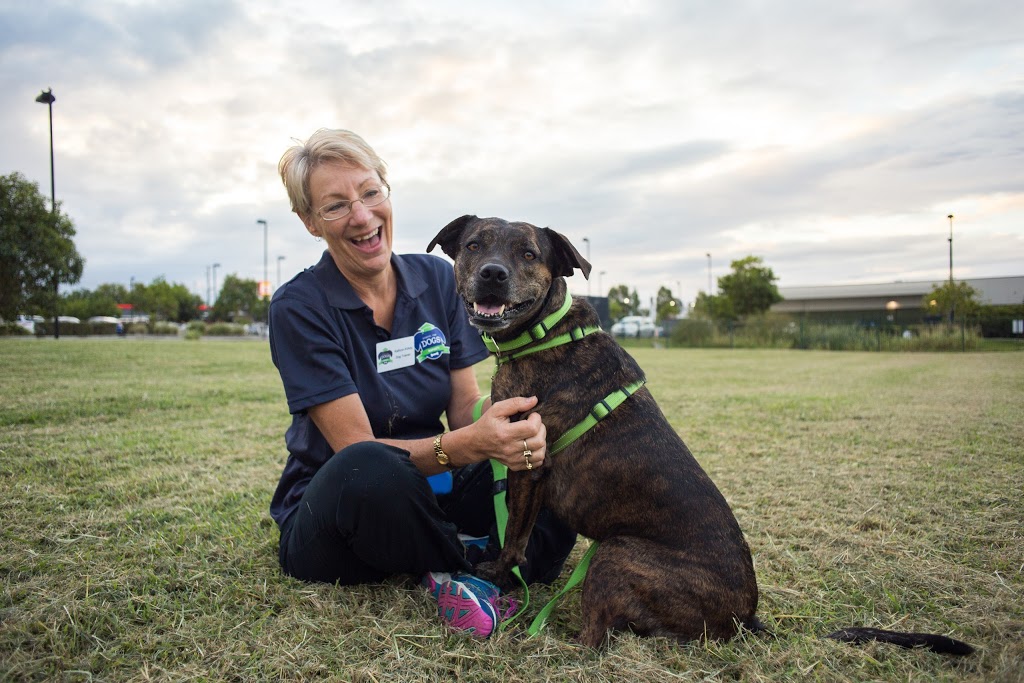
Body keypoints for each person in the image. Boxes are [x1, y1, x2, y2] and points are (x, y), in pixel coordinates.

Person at [268, 128, 576, 639]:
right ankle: (458, 565)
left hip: (437, 488)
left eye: (370, 193)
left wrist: (515, 425)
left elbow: (464, 409)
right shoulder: (298, 306)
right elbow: (357, 448)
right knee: (368, 468)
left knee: (554, 440)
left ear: (386, 194)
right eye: (335, 206)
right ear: (309, 223)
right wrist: (473, 443)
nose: (362, 216)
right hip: (343, 507)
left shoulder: (437, 277)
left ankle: (486, 559)